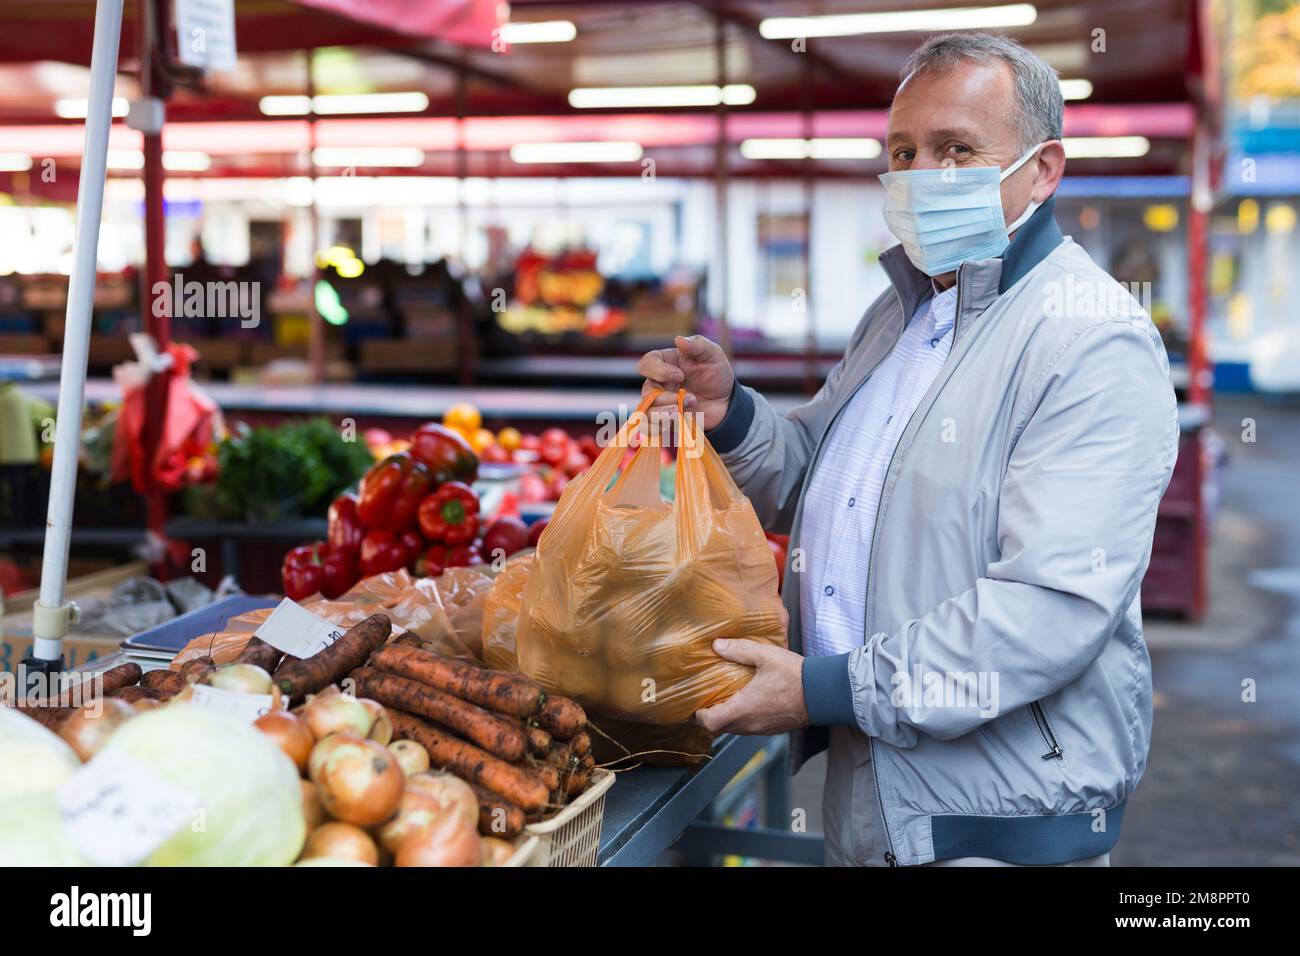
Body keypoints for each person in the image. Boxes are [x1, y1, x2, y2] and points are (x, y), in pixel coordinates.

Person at [636, 32, 1178, 867]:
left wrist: (822, 689)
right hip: (881, 801)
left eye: (956, 150)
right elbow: (826, 485)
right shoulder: (903, 313)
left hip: (997, 828)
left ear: (1044, 169)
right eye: (903, 151)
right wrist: (734, 418)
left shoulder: (1090, 340)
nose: (922, 175)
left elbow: (1049, 611)